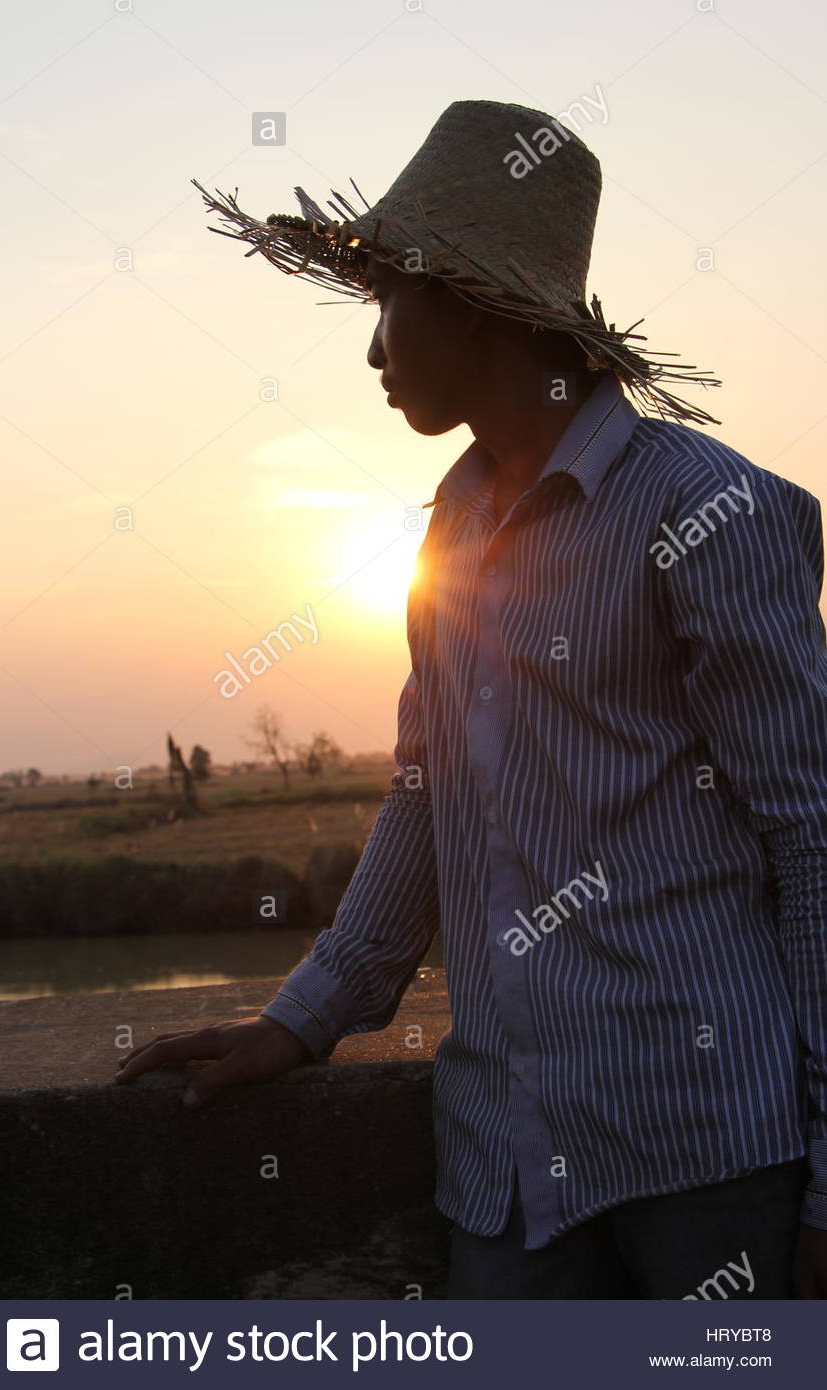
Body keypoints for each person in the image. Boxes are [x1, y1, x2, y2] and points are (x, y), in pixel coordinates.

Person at [117, 101, 827, 1299]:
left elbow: (811, 841)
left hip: (709, 1160)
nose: (372, 350)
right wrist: (304, 1017)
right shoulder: (447, 531)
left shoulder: (703, 514)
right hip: (503, 1164)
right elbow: (422, 794)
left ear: (466, 302)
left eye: (385, 304)